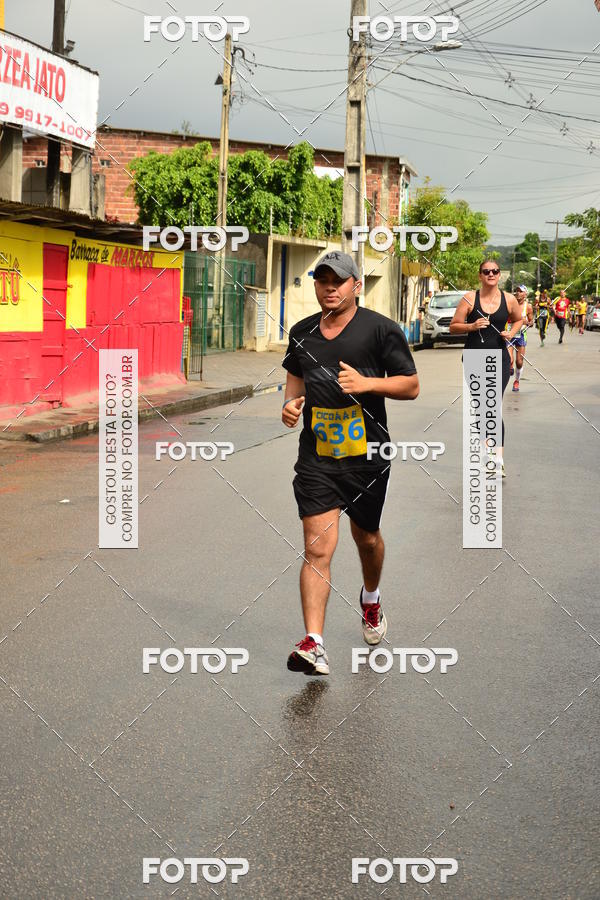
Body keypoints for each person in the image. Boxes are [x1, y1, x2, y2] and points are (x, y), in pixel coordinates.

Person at [281, 251, 419, 676]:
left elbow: (411, 385)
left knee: (367, 539)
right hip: (318, 457)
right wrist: (289, 405)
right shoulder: (303, 332)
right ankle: (314, 643)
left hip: (367, 458)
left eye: (338, 281)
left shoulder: (380, 330)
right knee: (317, 547)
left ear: (356, 285)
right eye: (323, 280)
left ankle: (371, 599)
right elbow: (294, 376)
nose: (329, 288)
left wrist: (368, 383)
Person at [449, 259, 522, 477]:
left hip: (499, 359)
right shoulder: (469, 299)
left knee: (492, 406)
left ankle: (497, 459)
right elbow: (453, 326)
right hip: (473, 358)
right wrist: (471, 326)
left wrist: (512, 332)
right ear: (480, 275)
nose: (491, 274)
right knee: (481, 409)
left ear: (500, 275)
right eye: (486, 271)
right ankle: (486, 453)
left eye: (495, 271)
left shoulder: (509, 300)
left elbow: (519, 320)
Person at [510, 285, 534, 392]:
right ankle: (509, 368)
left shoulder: (528, 307)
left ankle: (517, 381)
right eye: (516, 291)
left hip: (521, 334)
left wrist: (527, 322)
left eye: (520, 291)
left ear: (525, 294)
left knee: (519, 362)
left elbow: (531, 322)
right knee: (510, 359)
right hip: (510, 334)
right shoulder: (510, 304)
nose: (518, 293)